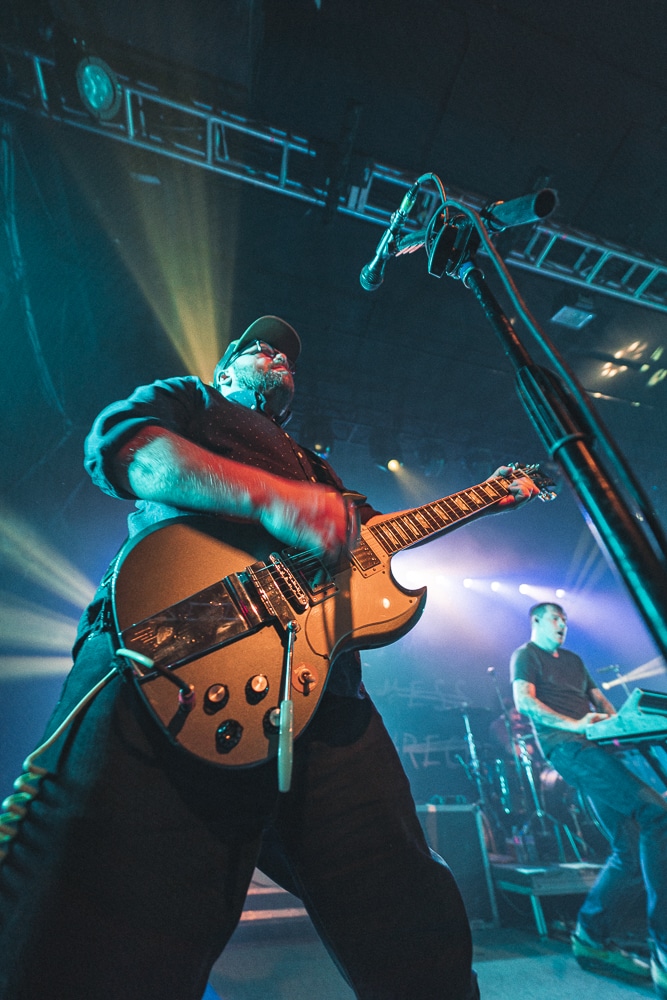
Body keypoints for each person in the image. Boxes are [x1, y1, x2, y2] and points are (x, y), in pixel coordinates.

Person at [0, 315, 537, 1000]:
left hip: (327, 701)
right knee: (109, 929)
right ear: (224, 372)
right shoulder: (193, 401)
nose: (273, 352)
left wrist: (488, 496)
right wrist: (273, 499)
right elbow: (127, 451)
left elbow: (378, 553)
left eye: (285, 354)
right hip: (180, 647)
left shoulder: (323, 474)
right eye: (255, 347)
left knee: (410, 919)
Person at [511, 602, 667, 997]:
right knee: (656, 814)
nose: (563, 624)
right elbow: (524, 702)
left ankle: (590, 935)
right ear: (536, 622)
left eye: (565, 619)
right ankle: (664, 949)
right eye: (555, 618)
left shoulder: (576, 661)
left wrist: (622, 725)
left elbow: (603, 702)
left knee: (629, 849)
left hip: (597, 747)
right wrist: (574, 724)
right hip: (567, 747)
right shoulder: (526, 656)